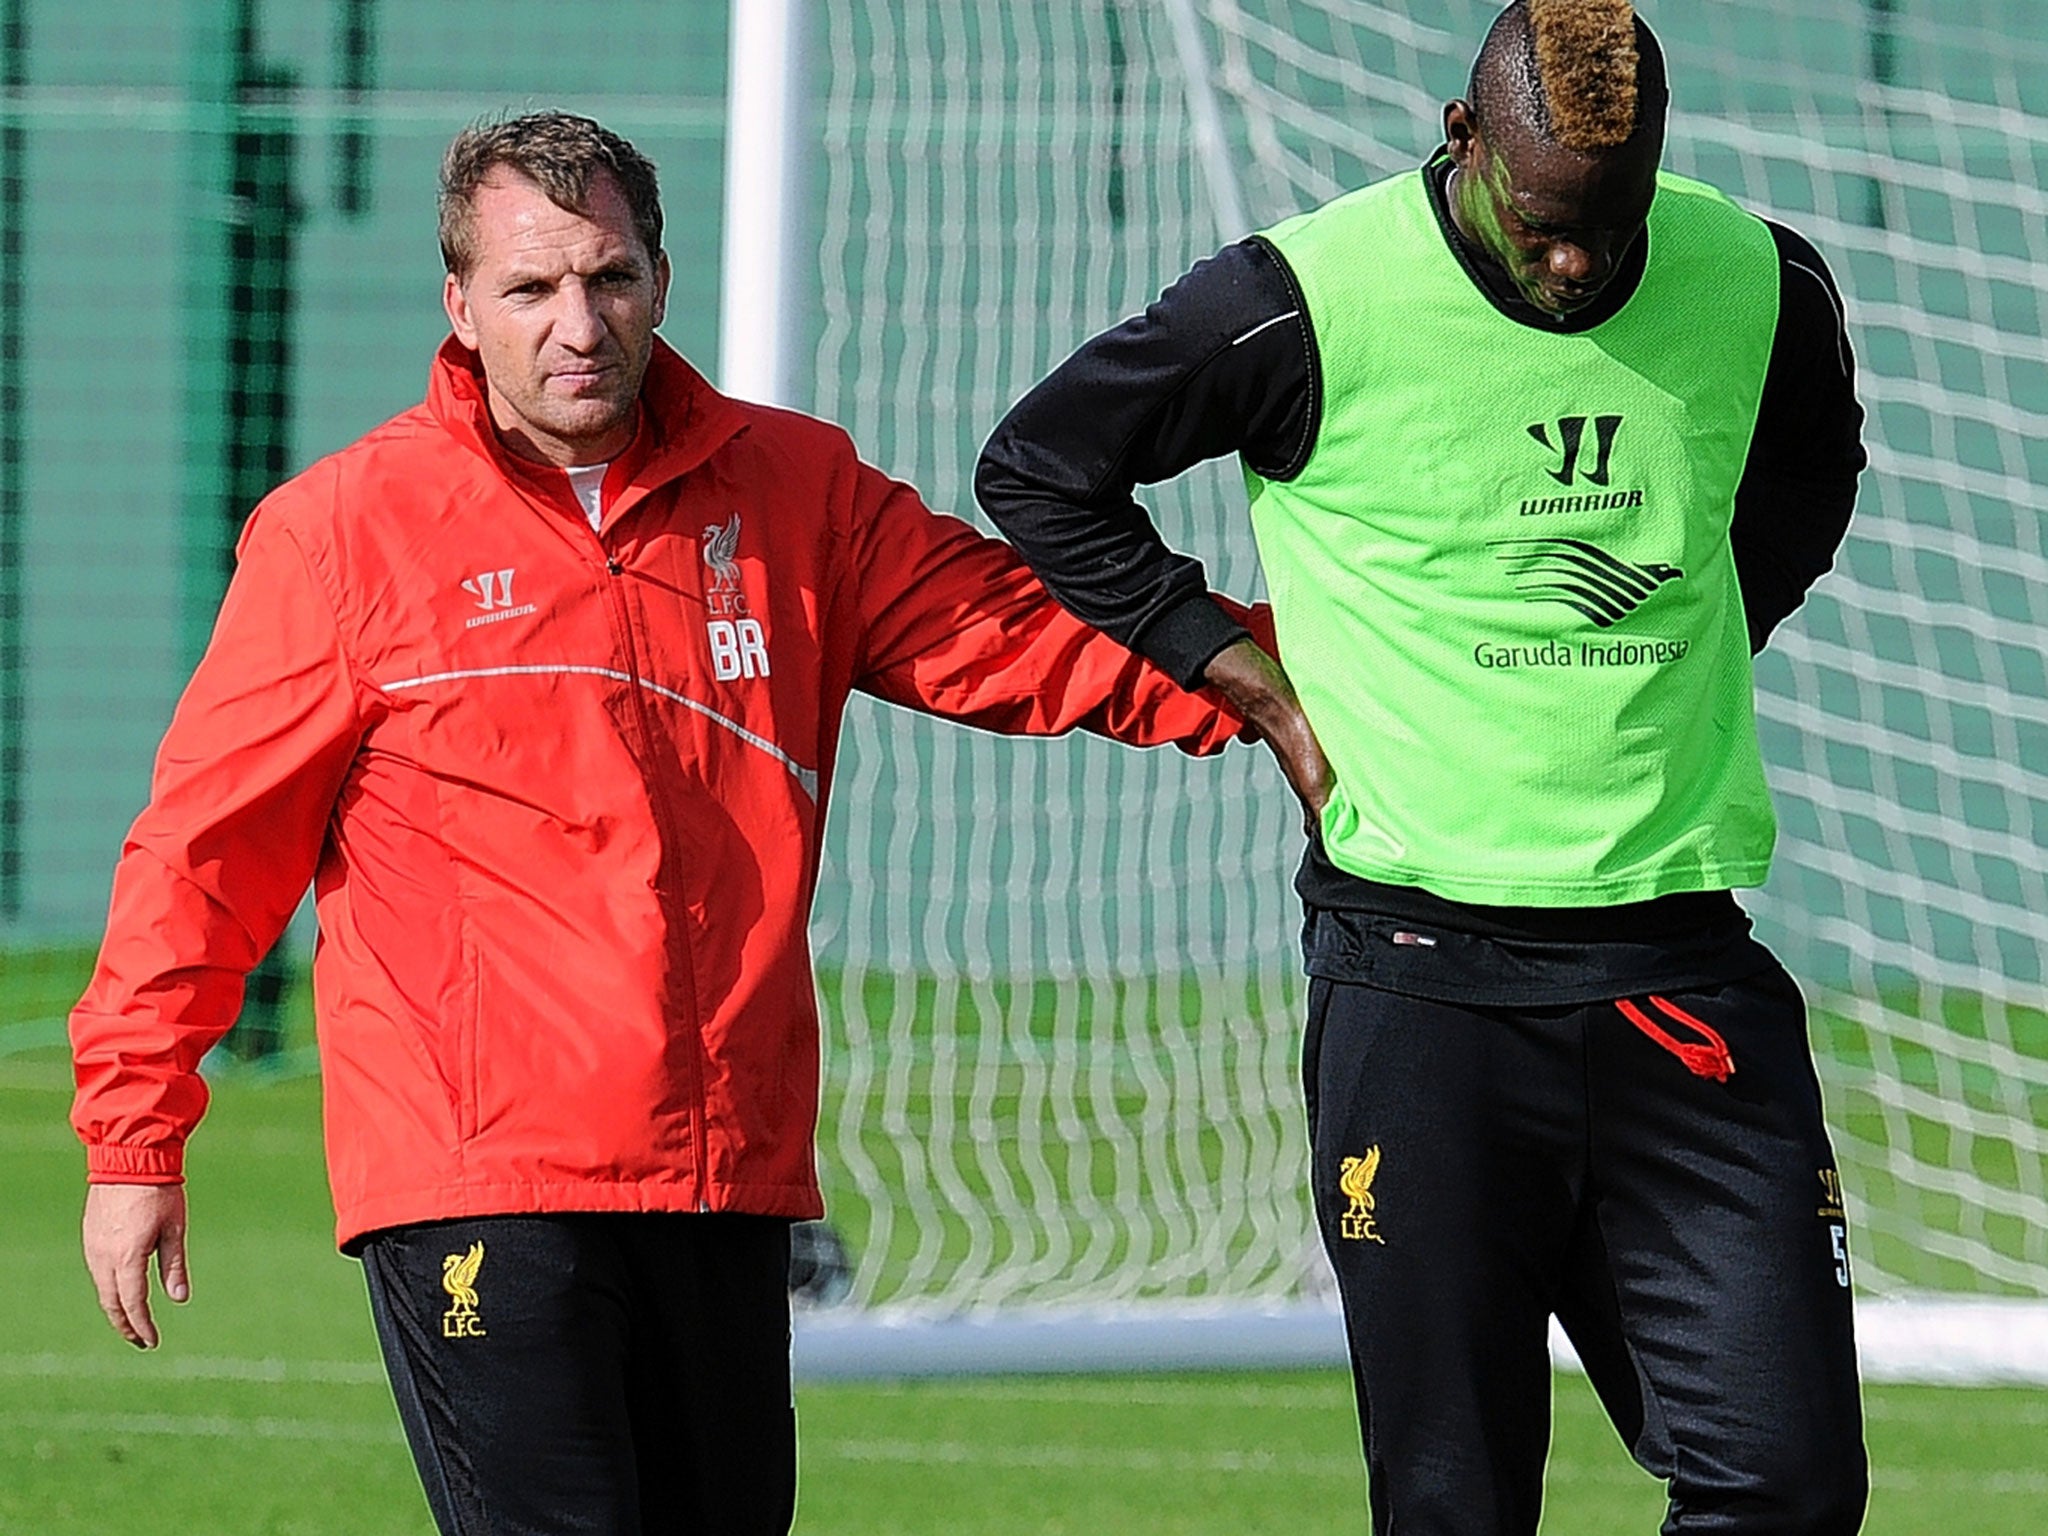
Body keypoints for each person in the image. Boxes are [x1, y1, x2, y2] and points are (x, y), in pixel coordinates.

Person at [69, 110, 1255, 1535]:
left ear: (659, 277)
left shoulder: (797, 491)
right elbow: (204, 855)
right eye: (531, 287)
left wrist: (1301, 683)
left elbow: (1022, 638)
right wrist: (136, 1138)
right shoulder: (342, 534)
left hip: (724, 1174)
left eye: (610, 277)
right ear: (459, 305)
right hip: (482, 1179)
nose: (580, 322)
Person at [976, 2, 1870, 1531]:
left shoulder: (1760, 277)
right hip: (1421, 982)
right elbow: (1042, 469)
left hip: (1682, 968)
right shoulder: (1299, 300)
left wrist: (1701, 645)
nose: (1580, 261)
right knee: (1455, 1501)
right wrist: (1246, 680)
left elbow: (1811, 470)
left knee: (1788, 1480)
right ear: (1464, 142)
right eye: (1545, 225)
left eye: (1614, 222)